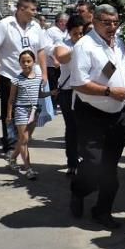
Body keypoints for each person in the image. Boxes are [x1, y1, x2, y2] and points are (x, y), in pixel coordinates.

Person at [68, 4, 125, 229]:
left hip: (118, 115)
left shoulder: (119, 43)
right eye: (106, 22)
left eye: (115, 22)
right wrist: (108, 92)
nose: (112, 27)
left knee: (111, 167)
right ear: (94, 21)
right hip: (92, 115)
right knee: (94, 163)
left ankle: (102, 211)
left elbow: (111, 71)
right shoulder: (84, 46)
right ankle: (79, 190)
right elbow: (80, 84)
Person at [0, 0, 49, 158]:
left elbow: (41, 51)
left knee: (27, 111)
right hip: (9, 75)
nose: (35, 13)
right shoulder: (5, 25)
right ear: (21, 9)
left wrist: (44, 73)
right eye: (32, 9)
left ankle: (21, 139)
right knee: (9, 111)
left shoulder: (35, 27)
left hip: (31, 77)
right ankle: (9, 144)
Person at [5, 50, 51, 180]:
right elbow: (11, 99)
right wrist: (9, 115)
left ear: (34, 62)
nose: (26, 64)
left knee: (25, 139)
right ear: (19, 63)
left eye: (29, 61)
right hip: (21, 111)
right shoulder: (16, 80)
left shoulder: (38, 78)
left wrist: (51, 93)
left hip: (34, 111)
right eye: (23, 62)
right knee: (24, 140)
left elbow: (39, 95)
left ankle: (12, 158)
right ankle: (28, 169)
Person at [53, 15, 86, 176]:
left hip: (86, 92)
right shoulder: (63, 45)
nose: (79, 37)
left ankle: (84, 159)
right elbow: (61, 57)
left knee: (85, 129)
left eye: (82, 34)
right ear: (69, 32)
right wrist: (78, 49)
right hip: (68, 92)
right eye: (75, 34)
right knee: (72, 129)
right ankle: (72, 162)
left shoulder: (90, 46)